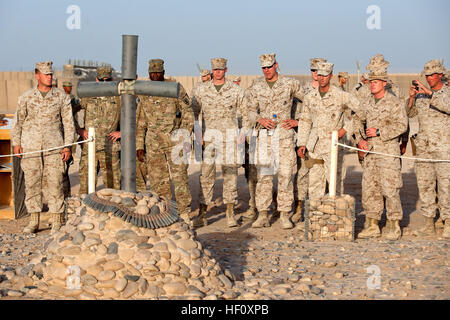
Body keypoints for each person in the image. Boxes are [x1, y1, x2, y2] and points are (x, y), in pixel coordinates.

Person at [11, 61, 74, 234]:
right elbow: (18, 122)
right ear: (37, 75)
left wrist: (67, 147)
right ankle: (34, 221)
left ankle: (56, 221)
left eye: (51, 74)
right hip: (31, 147)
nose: (50, 77)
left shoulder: (61, 97)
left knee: (55, 183)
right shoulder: (26, 97)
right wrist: (17, 143)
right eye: (46, 74)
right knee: (32, 183)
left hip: (54, 146)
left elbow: (68, 124)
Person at [243, 53, 303, 229]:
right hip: (265, 138)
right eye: (264, 68)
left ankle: (285, 214)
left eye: (269, 66)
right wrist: (260, 119)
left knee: (285, 176)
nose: (267, 70)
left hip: (284, 137)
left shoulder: (290, 84)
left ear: (276, 65)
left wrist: (297, 120)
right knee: (264, 177)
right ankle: (263, 214)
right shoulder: (256, 87)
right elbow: (250, 111)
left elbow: (308, 101)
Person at [136, 59, 194, 224]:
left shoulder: (175, 88)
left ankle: (184, 214)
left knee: (180, 178)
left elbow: (188, 113)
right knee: (157, 180)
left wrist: (183, 136)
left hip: (174, 141)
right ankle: (165, 213)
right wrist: (140, 146)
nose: (154, 75)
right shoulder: (145, 91)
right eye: (151, 73)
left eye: (158, 72)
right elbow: (140, 120)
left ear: (163, 72)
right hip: (153, 143)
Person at [356, 63, 408, 240]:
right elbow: (356, 121)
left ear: (384, 83)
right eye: (371, 81)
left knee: (390, 189)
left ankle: (394, 225)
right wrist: (360, 139)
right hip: (371, 154)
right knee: (371, 189)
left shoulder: (394, 103)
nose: (372, 84)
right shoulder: (367, 103)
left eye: (376, 82)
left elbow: (402, 125)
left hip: (388, 153)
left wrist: (380, 132)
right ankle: (372, 225)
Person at [191, 58, 245, 228]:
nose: (218, 72)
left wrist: (242, 134)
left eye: (221, 69)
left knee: (230, 176)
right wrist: (197, 133)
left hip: (230, 140)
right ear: (212, 71)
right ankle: (203, 213)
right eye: (215, 69)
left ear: (226, 70)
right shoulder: (201, 90)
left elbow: (245, 113)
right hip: (209, 139)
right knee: (206, 176)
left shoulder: (236, 91)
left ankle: (230, 213)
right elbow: (193, 114)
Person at [297, 62, 361, 202]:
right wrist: (301, 143)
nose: (321, 78)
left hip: (333, 146)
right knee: (314, 184)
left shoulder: (340, 95)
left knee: (334, 184)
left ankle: (335, 219)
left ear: (331, 76)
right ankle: (315, 217)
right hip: (315, 146)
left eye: (325, 75)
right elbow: (305, 121)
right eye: (319, 75)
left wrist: (344, 130)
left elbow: (361, 111)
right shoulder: (310, 97)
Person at [407, 59, 449, 238]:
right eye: (427, 75)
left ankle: (447, 222)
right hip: (424, 148)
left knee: (446, 187)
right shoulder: (420, 96)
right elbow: (409, 114)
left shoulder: (446, 92)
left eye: (433, 75)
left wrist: (431, 93)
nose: (429, 78)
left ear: (440, 75)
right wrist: (411, 97)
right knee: (425, 186)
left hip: (443, 148)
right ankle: (428, 223)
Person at [76, 66, 121, 194]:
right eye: (102, 81)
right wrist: (79, 130)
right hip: (90, 147)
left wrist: (122, 132)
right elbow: (69, 111)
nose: (105, 84)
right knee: (85, 188)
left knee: (113, 189)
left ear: (112, 80)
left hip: (110, 148)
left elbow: (133, 116)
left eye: (108, 80)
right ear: (97, 80)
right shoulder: (88, 95)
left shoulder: (118, 98)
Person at [60, 81, 81, 198]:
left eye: (70, 86)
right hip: (58, 137)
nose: (69, 88)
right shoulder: (61, 98)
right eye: (67, 86)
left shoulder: (72, 98)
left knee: (65, 169)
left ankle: (66, 196)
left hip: (68, 134)